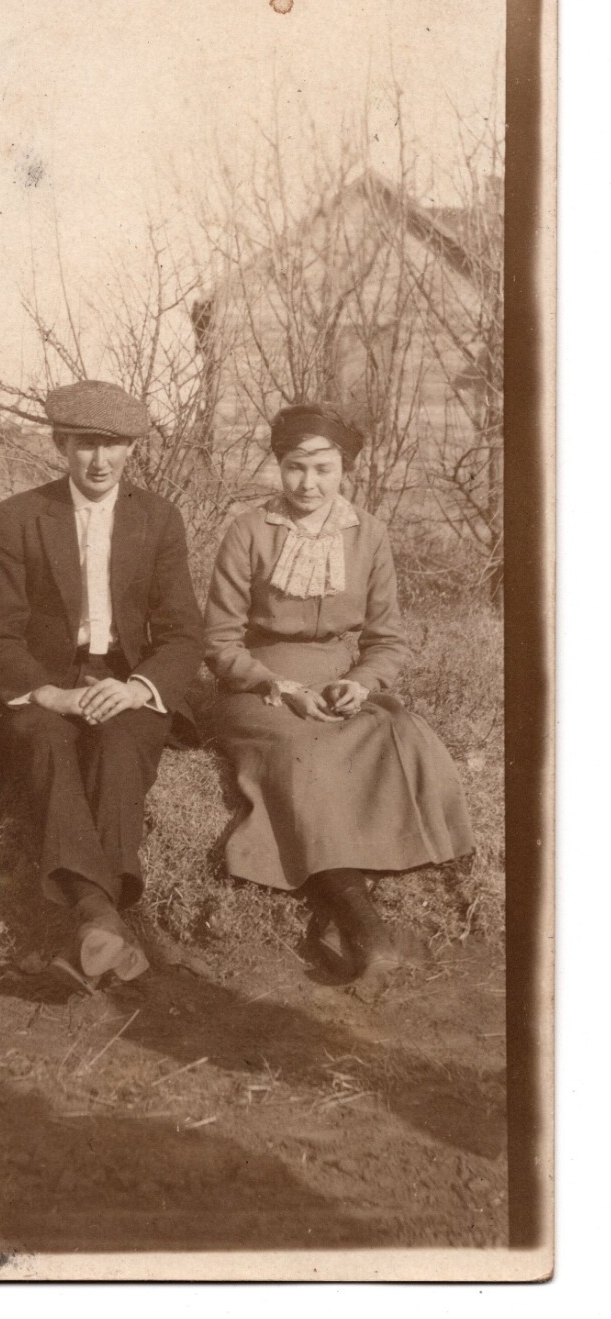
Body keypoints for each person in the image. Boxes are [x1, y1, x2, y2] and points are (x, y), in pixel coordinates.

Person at [204, 402, 474, 989]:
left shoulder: (369, 534)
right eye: (295, 467)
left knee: (399, 735)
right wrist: (278, 685)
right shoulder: (249, 531)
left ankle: (342, 909)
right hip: (259, 684)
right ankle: (365, 930)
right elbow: (219, 642)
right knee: (301, 752)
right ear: (279, 466)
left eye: (323, 469)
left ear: (344, 469)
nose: (308, 483)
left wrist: (362, 682)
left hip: (337, 680)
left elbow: (387, 641)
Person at [0, 380, 204, 983]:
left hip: (126, 677)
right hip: (47, 678)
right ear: (60, 445)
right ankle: (102, 919)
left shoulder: (157, 518)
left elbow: (183, 633)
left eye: (114, 445)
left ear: (132, 448)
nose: (101, 461)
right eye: (85, 445)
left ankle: (92, 922)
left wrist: (137, 688)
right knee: (47, 740)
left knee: (122, 746)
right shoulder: (20, 516)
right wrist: (51, 693)